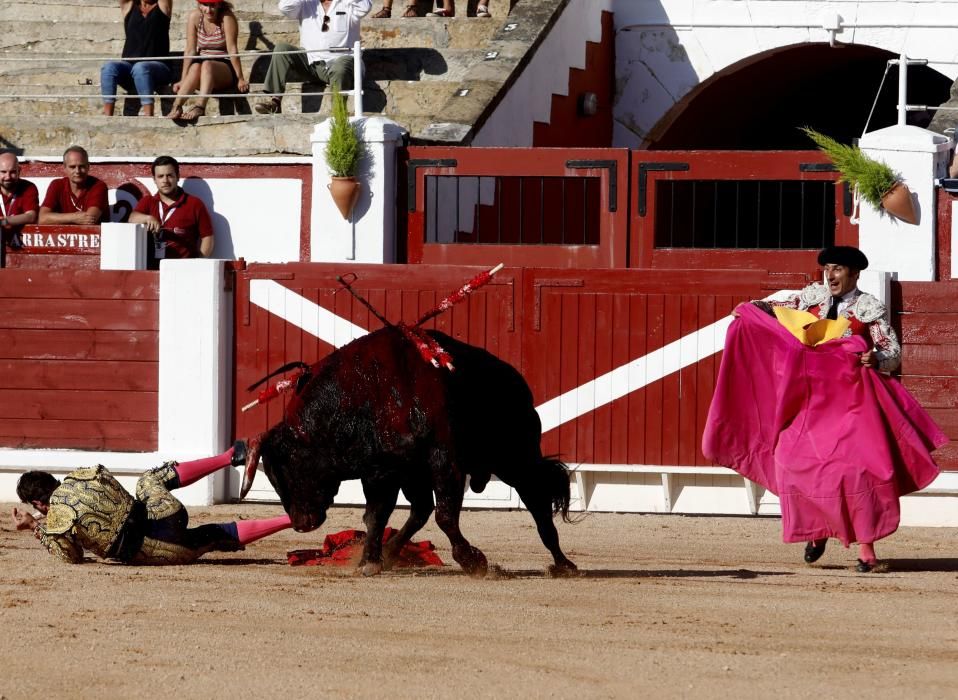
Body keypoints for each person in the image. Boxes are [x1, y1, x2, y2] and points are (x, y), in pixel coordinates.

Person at [704, 245, 945, 573]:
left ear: (854, 274)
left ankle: (866, 549)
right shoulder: (809, 299)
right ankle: (817, 530)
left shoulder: (867, 308)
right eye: (827, 268)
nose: (830, 275)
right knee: (793, 463)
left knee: (857, 470)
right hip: (808, 401)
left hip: (852, 404)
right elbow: (771, 310)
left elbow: (892, 351)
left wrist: (875, 358)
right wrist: (749, 310)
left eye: (838, 269)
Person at [11, 441, 292, 565]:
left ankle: (291, 519)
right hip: (164, 512)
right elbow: (116, 488)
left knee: (216, 534)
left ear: (38, 503)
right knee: (148, 480)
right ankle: (230, 456)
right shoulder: (81, 476)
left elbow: (72, 557)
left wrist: (36, 525)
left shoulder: (56, 520)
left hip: (163, 551)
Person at [254, 0, 371, 115]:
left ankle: (338, 115)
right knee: (282, 49)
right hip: (311, 62)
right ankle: (275, 102)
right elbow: (284, 7)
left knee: (340, 67)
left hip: (341, 61)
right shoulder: (306, 3)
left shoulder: (348, 3)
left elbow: (365, 7)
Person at [167, 0, 249, 123]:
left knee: (207, 65)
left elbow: (232, 49)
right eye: (205, 5)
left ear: (219, 5)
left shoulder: (227, 18)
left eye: (212, 6)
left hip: (223, 67)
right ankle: (177, 106)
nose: (208, 10)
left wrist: (240, 78)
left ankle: (200, 106)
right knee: (195, 66)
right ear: (200, 5)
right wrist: (183, 79)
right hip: (202, 67)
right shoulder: (194, 17)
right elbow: (190, 50)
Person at [129, 155, 215, 261]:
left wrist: (200, 262)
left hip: (182, 268)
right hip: (151, 268)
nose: (165, 180)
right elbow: (131, 219)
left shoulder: (195, 204)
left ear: (177, 177)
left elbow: (207, 237)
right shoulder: (148, 201)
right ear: (154, 179)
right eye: (160, 176)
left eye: (169, 175)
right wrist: (147, 218)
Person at [100, 0, 175, 117]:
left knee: (140, 67)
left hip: (159, 68)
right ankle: (107, 117)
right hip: (130, 68)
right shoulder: (129, 6)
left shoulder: (163, 7)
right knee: (108, 67)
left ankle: (148, 116)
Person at [38, 146, 110, 226]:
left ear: (88, 166)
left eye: (81, 166)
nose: (77, 171)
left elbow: (90, 219)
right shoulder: (57, 185)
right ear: (64, 168)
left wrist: (56, 218)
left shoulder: (98, 186)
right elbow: (42, 218)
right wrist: (74, 217)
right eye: (72, 167)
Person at [0, 151, 39, 249]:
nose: (8, 177)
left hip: (22, 247)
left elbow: (31, 216)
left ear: (19, 171)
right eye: (3, 172)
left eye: (12, 172)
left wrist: (5, 221)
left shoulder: (28, 187)